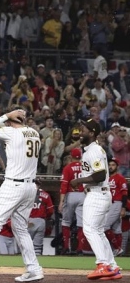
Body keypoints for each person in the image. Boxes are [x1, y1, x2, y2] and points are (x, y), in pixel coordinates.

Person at [0, 109, 44, 283]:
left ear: (12, 120)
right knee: (20, 228)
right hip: (30, 187)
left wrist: (6, 116)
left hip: (14, 184)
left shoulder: (12, 132)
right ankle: (34, 269)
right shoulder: (34, 133)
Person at [69, 119, 121, 280]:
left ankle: (103, 265)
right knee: (98, 231)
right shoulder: (91, 150)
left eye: (83, 129)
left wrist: (78, 181)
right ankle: (112, 267)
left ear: (91, 133)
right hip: (99, 193)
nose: (80, 131)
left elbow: (100, 175)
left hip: (97, 193)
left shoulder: (94, 150)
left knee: (90, 229)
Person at [58, 148, 86, 254]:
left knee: (66, 222)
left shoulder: (68, 167)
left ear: (71, 156)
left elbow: (64, 185)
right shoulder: (85, 167)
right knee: (81, 224)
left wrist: (61, 201)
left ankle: (66, 247)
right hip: (83, 195)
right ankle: (80, 248)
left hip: (70, 195)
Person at [105, 158, 128, 256]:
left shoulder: (120, 178)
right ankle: (119, 251)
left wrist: (123, 208)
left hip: (117, 203)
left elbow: (125, 194)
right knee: (116, 229)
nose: (111, 167)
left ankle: (117, 248)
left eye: (113, 165)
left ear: (117, 167)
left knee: (105, 226)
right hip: (109, 204)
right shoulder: (107, 179)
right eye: (109, 165)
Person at [28, 179, 54, 255]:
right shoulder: (45, 195)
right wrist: (46, 217)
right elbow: (50, 211)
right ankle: (37, 262)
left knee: (26, 244)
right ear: (39, 185)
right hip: (41, 220)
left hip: (29, 220)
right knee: (37, 246)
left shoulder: (26, 194)